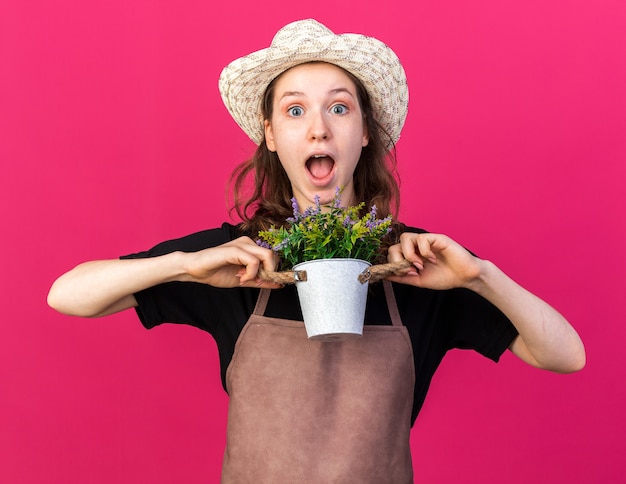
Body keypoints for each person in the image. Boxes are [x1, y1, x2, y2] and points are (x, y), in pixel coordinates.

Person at [47, 19, 585, 483]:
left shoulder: (419, 263)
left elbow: (566, 355)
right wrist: (185, 265)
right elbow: (68, 295)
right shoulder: (236, 260)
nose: (319, 129)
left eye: (340, 108)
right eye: (296, 110)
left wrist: (479, 277)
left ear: (366, 132)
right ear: (272, 134)